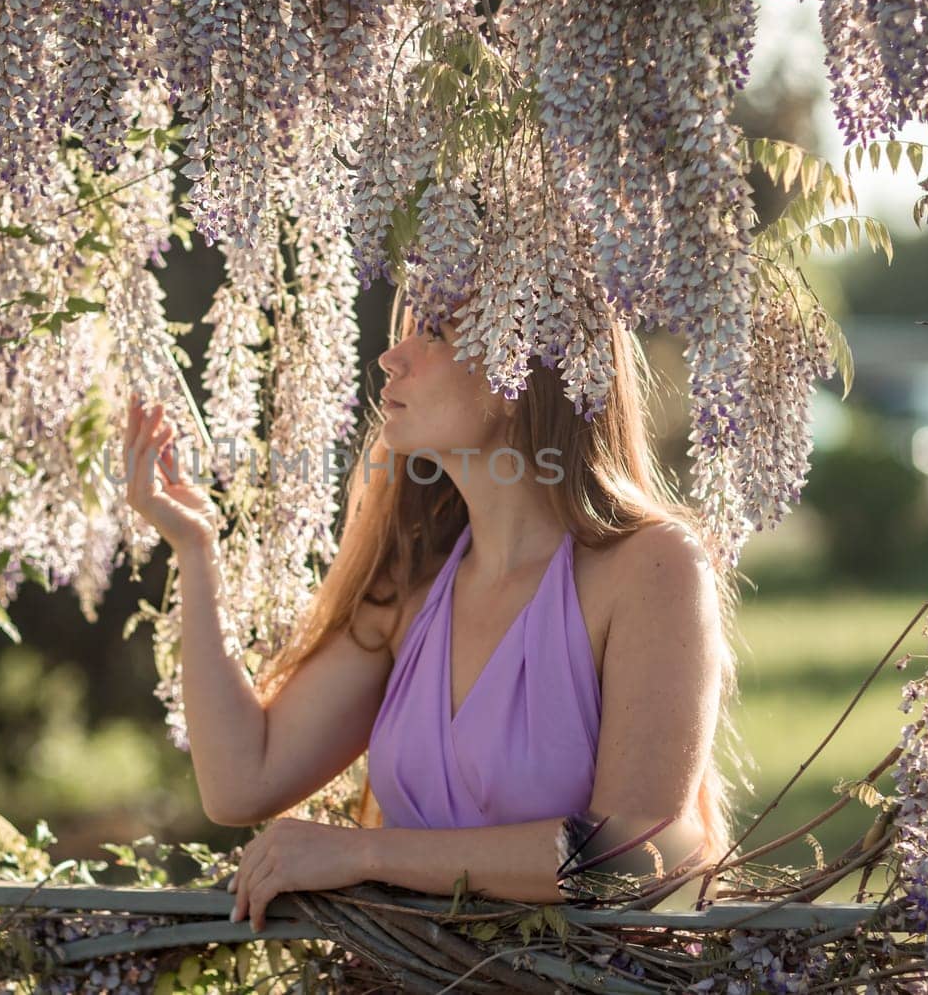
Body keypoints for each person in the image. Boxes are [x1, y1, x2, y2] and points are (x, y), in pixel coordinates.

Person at [122, 292, 739, 934]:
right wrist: (196, 549)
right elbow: (241, 783)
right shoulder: (414, 589)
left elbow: (640, 852)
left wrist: (366, 853)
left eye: (435, 333)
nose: (391, 356)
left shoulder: (651, 566)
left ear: (517, 372)